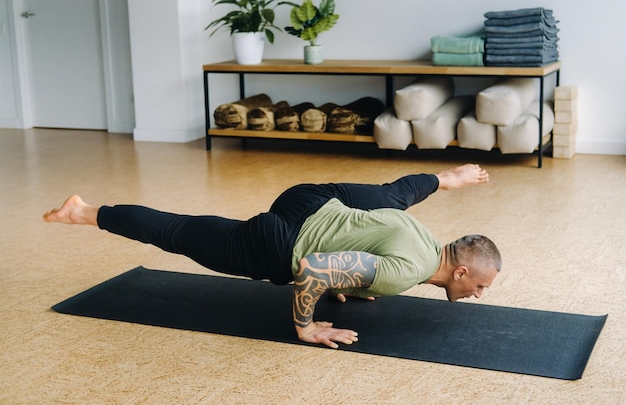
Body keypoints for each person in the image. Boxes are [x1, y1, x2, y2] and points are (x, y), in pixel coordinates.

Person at [43, 164, 501, 349]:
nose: (478, 294)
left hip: (311, 199)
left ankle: (84, 210)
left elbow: (395, 195)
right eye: (479, 285)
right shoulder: (408, 272)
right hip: (277, 244)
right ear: (460, 270)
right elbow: (313, 268)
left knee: (386, 196)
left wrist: (351, 281)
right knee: (178, 232)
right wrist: (305, 326)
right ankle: (81, 212)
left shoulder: (422, 236)